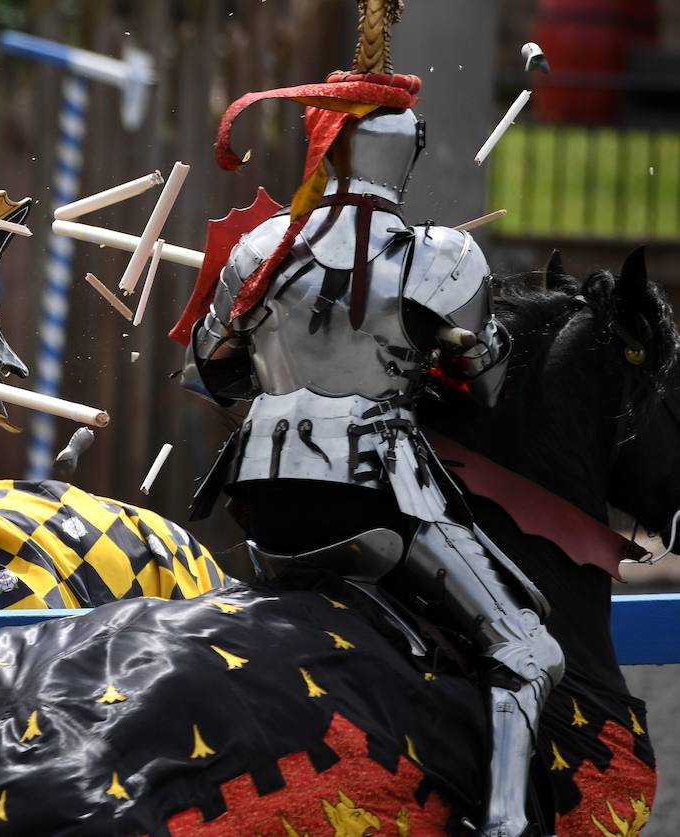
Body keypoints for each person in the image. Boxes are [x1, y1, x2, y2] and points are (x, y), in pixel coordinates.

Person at [181, 82, 563, 836]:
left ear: (323, 147)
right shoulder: (438, 256)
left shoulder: (261, 251)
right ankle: (506, 821)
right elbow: (484, 387)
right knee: (527, 644)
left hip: (262, 497)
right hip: (375, 499)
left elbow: (211, 370)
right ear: (405, 153)